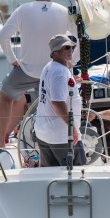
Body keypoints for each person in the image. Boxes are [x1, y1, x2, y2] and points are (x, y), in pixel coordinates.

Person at [0, 0, 78, 148]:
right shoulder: (63, 11)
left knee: (6, 96)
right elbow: (81, 38)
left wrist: (12, 60)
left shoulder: (23, 9)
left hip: (27, 71)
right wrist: (71, 62)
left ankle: (1, 139)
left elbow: (3, 36)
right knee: (56, 99)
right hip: (56, 69)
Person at [34, 34, 87, 167]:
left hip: (45, 133)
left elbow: (53, 87)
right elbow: (57, 103)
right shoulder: (60, 72)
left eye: (71, 47)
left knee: (50, 178)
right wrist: (72, 129)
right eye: (66, 48)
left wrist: (71, 80)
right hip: (62, 136)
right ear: (55, 52)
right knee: (76, 177)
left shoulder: (49, 67)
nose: (70, 50)